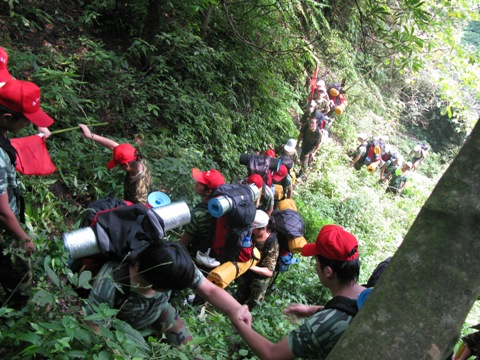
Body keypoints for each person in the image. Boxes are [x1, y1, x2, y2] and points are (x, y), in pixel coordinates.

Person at [230, 224, 365, 359]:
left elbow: (272, 355)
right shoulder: (369, 295)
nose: (315, 266)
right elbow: (348, 309)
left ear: (328, 272)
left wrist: (240, 324)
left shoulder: (322, 325)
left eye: (316, 260)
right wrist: (312, 310)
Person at [85, 240, 252, 346]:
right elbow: (94, 329)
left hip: (159, 312)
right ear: (157, 285)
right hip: (120, 326)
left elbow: (209, 289)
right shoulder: (110, 283)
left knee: (191, 353)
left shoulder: (173, 264)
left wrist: (236, 310)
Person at [0, 80, 54, 307]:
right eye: (27, 121)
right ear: (7, 118)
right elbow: (2, 212)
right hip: (5, 227)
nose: (30, 125)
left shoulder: (2, 129)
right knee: (19, 271)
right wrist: (24, 238)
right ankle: (15, 311)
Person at [79, 124, 152, 204]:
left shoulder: (139, 188)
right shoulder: (139, 159)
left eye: (119, 165)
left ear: (126, 165)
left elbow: (141, 209)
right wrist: (90, 135)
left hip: (134, 207)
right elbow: (115, 147)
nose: (118, 167)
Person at [179, 168, 225, 268]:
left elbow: (183, 244)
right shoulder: (224, 208)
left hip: (198, 260)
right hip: (216, 259)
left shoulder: (197, 214)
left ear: (208, 192)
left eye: (200, 183)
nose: (196, 183)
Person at [235, 210, 279, 310]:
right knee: (239, 298)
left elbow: (269, 272)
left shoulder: (271, 243)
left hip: (259, 279)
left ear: (263, 228)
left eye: (254, 229)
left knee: (252, 305)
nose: (251, 230)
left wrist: (250, 266)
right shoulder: (250, 234)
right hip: (245, 273)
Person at [296, 114, 322, 179]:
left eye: (312, 123)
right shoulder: (305, 126)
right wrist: (297, 144)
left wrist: (314, 152)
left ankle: (301, 174)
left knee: (304, 160)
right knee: (298, 156)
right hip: (304, 143)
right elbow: (301, 135)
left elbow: (319, 144)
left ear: (316, 124)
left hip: (311, 148)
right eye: (310, 122)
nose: (310, 124)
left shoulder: (318, 133)